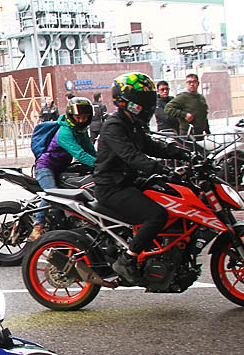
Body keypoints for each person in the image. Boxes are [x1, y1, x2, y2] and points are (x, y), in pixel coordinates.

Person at [93, 73, 188, 284]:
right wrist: (161, 168)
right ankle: (127, 259)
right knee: (156, 215)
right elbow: (131, 156)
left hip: (129, 181)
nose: (148, 105)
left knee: (170, 194)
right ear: (128, 101)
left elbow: (151, 145)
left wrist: (181, 153)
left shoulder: (132, 123)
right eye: (143, 100)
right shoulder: (114, 126)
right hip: (112, 187)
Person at [30, 97, 97, 241]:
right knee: (52, 194)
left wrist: (103, 161)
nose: (81, 120)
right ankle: (38, 224)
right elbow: (79, 153)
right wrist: (100, 164)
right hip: (46, 167)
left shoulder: (81, 131)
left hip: (63, 168)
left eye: (85, 117)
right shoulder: (65, 132)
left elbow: (90, 150)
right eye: (78, 117)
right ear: (71, 116)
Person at [164, 73, 210, 138]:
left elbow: (204, 115)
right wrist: (184, 115)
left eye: (194, 82)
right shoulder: (182, 97)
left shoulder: (201, 98)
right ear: (186, 84)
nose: (192, 84)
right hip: (187, 134)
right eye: (189, 82)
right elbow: (168, 108)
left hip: (200, 134)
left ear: (198, 83)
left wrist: (208, 131)